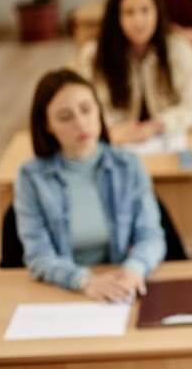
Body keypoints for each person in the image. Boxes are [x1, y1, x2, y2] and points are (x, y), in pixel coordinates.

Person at [14, 69, 166, 302]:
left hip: (121, 286)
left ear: (99, 110)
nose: (81, 123)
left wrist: (133, 269)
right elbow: (38, 256)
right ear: (47, 125)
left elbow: (151, 236)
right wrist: (85, 281)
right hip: (64, 289)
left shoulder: (129, 166)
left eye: (86, 109)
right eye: (66, 117)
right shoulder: (31, 177)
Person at [72, 0, 192, 144]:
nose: (138, 21)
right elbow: (84, 110)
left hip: (165, 140)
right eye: (129, 13)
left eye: (145, 10)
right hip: (114, 142)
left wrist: (157, 125)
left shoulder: (179, 50)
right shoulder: (93, 55)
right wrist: (113, 131)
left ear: (157, 12)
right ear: (116, 18)